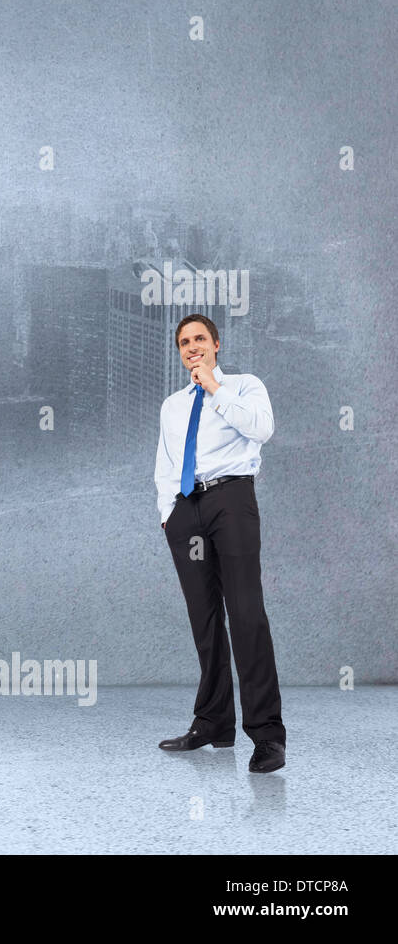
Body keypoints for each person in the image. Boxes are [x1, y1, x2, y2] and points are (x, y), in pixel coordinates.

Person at [153, 314, 286, 773]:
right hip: (186, 509)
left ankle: (267, 736)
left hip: (231, 499)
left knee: (246, 614)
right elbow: (166, 463)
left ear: (216, 344)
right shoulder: (172, 405)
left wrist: (214, 386)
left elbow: (261, 429)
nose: (192, 346)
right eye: (184, 342)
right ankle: (212, 722)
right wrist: (167, 514)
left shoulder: (245, 386)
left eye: (199, 339)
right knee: (204, 619)